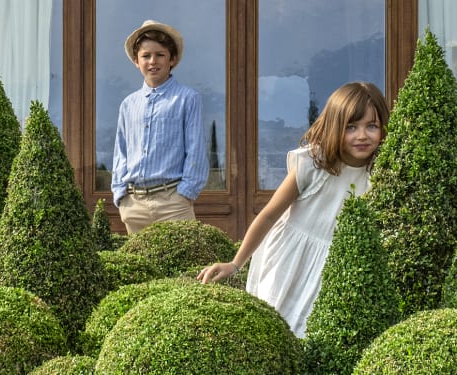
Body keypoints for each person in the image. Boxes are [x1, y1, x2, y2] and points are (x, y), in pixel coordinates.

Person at [198, 81, 389, 337]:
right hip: (290, 259)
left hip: (337, 268)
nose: (362, 135)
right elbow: (268, 215)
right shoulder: (314, 164)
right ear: (334, 126)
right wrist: (235, 263)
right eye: (351, 127)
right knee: (279, 329)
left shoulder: (382, 173)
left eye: (372, 126)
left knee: (317, 337)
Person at [111, 20, 208, 233]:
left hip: (173, 202)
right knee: (139, 266)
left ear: (172, 59)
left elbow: (195, 151)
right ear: (137, 61)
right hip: (134, 204)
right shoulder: (128, 104)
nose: (152, 61)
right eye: (146, 56)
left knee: (184, 265)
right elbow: (121, 151)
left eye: (160, 55)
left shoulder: (187, 99)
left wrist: (186, 193)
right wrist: (120, 194)